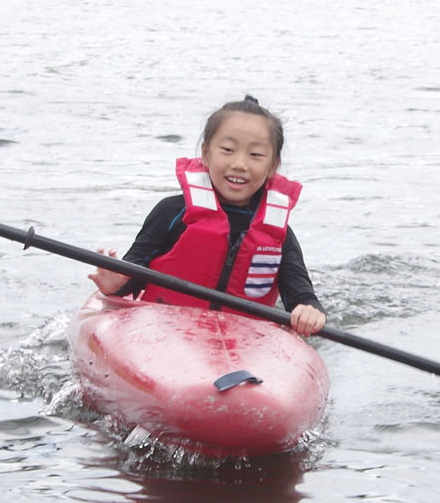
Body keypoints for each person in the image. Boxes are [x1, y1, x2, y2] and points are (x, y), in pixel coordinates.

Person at [91, 96, 327, 337]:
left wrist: (309, 311)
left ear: (273, 166)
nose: (239, 164)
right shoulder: (170, 213)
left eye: (255, 155)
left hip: (245, 344)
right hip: (164, 336)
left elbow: (302, 297)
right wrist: (116, 285)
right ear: (205, 153)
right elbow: (132, 277)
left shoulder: (280, 235)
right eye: (227, 150)